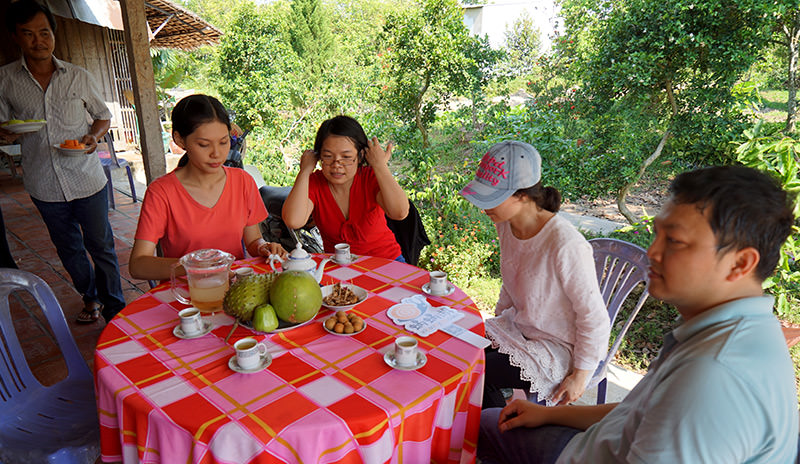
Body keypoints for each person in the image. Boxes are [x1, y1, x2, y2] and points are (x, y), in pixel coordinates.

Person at [478, 165, 800, 464]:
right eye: (657, 234)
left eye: (674, 241)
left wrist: (578, 375)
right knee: (486, 416)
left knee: (476, 423)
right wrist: (549, 414)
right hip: (598, 442)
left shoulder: (714, 376)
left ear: (740, 263)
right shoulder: (724, 331)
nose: (652, 252)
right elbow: (638, 411)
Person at [0, 0, 126, 323]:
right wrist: (7, 132)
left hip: (86, 178)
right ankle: (90, 296)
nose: (38, 41)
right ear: (15, 36)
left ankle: (115, 309)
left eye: (44, 32)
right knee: (68, 249)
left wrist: (94, 136)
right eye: (28, 34)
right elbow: (5, 125)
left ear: (54, 34)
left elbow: (102, 116)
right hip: (43, 183)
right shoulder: (5, 80)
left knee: (102, 246)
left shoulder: (78, 76)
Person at [460, 141, 610, 408]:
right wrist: (498, 322)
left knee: (475, 370)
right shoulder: (506, 224)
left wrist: (580, 376)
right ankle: (493, 419)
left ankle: (497, 424)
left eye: (492, 198)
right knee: (459, 353)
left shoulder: (565, 244)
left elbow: (594, 318)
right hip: (519, 329)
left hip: (556, 346)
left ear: (523, 196)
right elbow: (512, 278)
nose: (484, 207)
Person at [129, 94, 286, 281]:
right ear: (179, 140)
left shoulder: (242, 181)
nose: (217, 153)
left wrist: (263, 247)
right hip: (187, 294)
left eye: (224, 142)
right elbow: (138, 265)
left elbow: (252, 240)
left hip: (234, 289)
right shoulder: (162, 192)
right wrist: (197, 266)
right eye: (204, 145)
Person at [282, 115, 410, 261]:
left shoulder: (370, 177)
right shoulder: (315, 183)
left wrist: (380, 165)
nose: (337, 164)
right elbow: (293, 221)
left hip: (386, 262)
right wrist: (304, 171)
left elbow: (400, 212)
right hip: (338, 266)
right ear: (319, 157)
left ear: (360, 156)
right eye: (328, 156)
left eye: (346, 157)